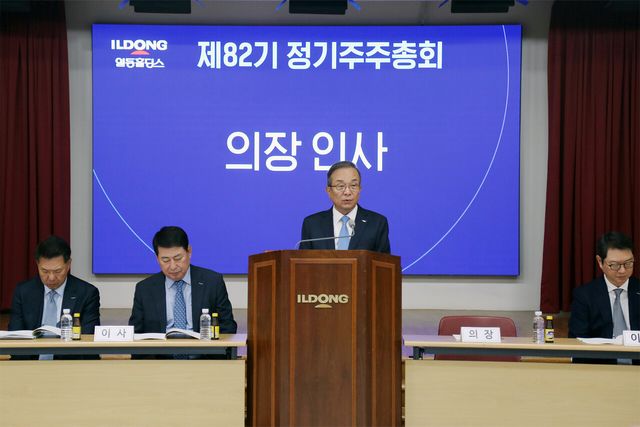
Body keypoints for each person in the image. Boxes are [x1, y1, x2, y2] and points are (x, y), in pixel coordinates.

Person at [129, 226, 237, 335]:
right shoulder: (144, 289)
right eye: (165, 260)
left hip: (202, 345)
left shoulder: (213, 282)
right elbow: (134, 334)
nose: (172, 266)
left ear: (189, 251)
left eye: (178, 258)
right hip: (161, 346)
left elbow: (228, 328)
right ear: (157, 258)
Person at [8, 235, 101, 359]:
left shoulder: (86, 293)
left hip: (71, 363)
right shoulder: (23, 292)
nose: (51, 278)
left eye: (58, 271)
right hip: (31, 364)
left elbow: (88, 339)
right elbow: (15, 337)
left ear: (68, 264)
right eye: (45, 271)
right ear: (37, 264)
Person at [568, 231, 639, 364]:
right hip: (600, 367)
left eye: (628, 263)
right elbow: (577, 342)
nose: (623, 270)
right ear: (600, 262)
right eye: (615, 265)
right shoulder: (585, 296)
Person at [299, 161, 391, 253]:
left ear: (360, 189)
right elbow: (304, 261)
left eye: (353, 185)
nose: (347, 192)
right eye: (340, 186)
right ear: (328, 190)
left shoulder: (377, 223)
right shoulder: (312, 224)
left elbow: (383, 261)